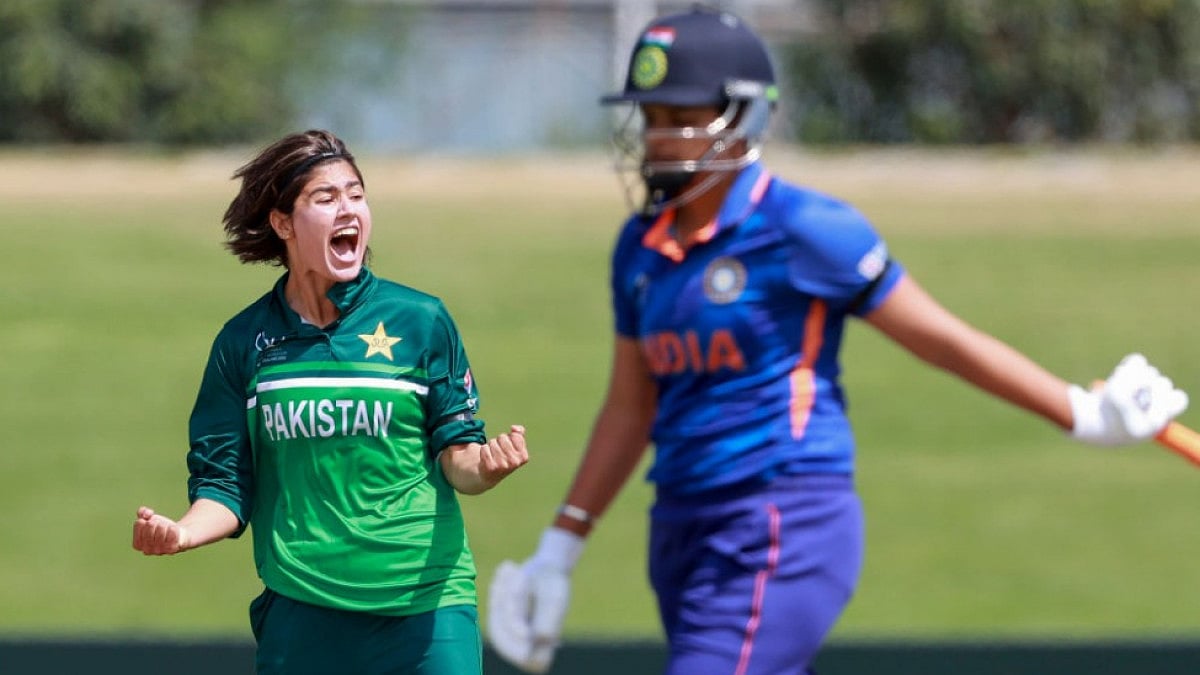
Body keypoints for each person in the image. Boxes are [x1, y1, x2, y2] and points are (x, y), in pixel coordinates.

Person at [485, 6, 1189, 675]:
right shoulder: (640, 248)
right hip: (681, 527)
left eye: (681, 119)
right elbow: (629, 407)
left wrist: (1082, 413)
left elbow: (939, 338)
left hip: (782, 519)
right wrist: (560, 547)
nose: (658, 138)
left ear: (739, 117)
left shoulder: (806, 227)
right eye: (650, 119)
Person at [131, 129, 530, 675]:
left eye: (356, 195)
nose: (349, 210)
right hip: (304, 616)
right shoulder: (242, 343)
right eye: (326, 198)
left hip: (427, 610)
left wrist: (485, 466)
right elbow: (224, 486)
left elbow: (458, 456)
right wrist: (181, 533)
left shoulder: (421, 320)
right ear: (283, 223)